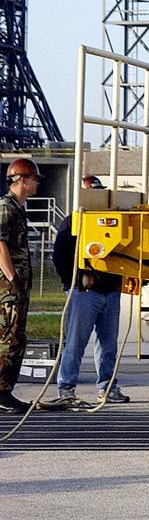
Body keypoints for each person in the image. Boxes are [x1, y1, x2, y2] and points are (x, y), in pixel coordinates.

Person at [54, 175, 129, 404]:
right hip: (84, 293)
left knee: (108, 344)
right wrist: (77, 280)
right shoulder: (72, 223)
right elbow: (59, 257)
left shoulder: (111, 221)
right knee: (76, 342)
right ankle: (66, 387)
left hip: (110, 290)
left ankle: (107, 387)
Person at [0, 158, 40, 413]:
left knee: (17, 338)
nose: (37, 183)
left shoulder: (18, 208)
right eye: (34, 178)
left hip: (17, 286)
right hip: (7, 288)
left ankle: (6, 391)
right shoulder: (6, 207)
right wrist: (12, 278)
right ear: (22, 180)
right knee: (7, 338)